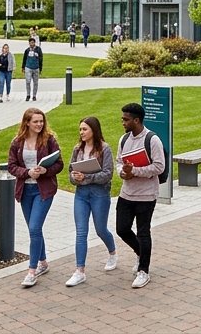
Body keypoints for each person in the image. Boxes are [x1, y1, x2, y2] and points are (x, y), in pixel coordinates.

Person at [8, 108, 63, 287]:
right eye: (35, 122)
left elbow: (60, 164)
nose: (39, 124)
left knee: (34, 228)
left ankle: (32, 272)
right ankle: (43, 263)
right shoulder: (17, 142)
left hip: (43, 191)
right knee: (35, 230)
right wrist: (27, 172)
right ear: (27, 123)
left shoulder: (49, 140)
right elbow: (12, 166)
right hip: (25, 191)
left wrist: (46, 170)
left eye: (41, 121)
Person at [115, 102, 166, 289]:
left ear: (136, 120)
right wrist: (123, 172)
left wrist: (134, 171)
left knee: (143, 232)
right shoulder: (124, 140)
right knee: (122, 229)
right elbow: (119, 161)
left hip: (146, 195)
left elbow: (159, 167)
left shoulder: (152, 140)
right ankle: (140, 253)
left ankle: (143, 270)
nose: (123, 122)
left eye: (126, 119)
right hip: (127, 193)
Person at [66, 116, 117, 287]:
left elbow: (108, 175)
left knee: (100, 229)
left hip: (99, 194)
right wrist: (76, 178)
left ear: (93, 130)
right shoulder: (77, 149)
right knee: (81, 232)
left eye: (84, 129)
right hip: (81, 194)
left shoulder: (104, 149)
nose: (81, 132)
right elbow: (70, 174)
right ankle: (80, 271)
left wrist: (86, 177)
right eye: (80, 129)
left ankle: (112, 252)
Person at [21, 38, 43, 103]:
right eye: (30, 43)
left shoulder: (38, 49)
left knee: (35, 82)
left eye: (33, 43)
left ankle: (34, 95)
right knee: (28, 81)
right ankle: (28, 95)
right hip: (28, 67)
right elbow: (24, 59)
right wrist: (23, 67)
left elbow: (41, 59)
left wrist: (40, 68)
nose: (31, 44)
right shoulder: (27, 50)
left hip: (36, 67)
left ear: (34, 43)